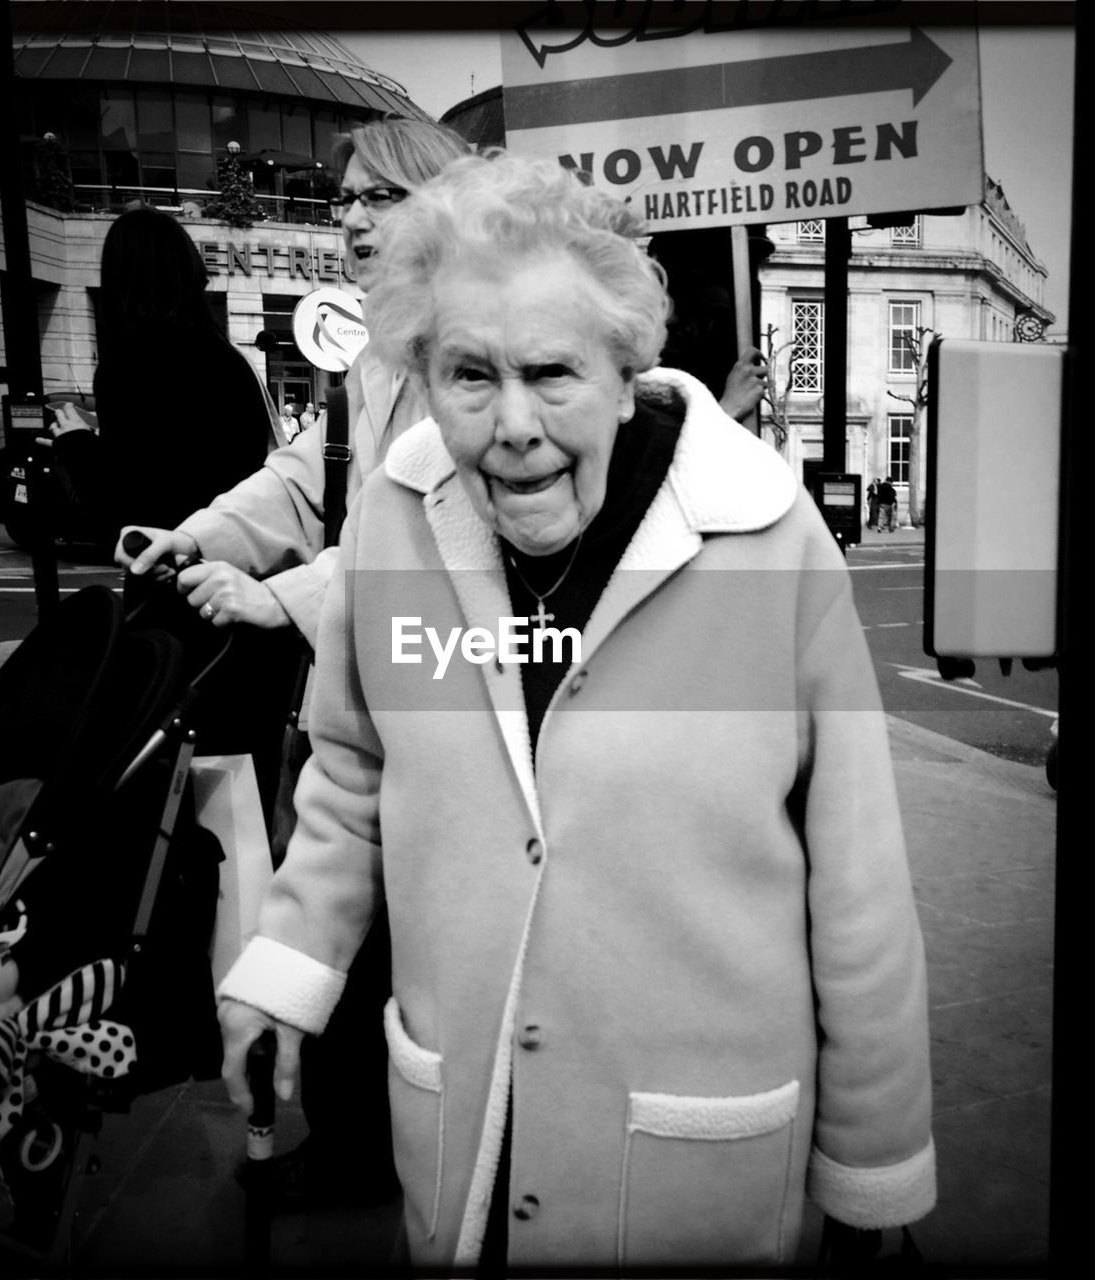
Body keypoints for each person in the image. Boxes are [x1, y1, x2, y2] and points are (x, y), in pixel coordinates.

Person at [216, 153, 936, 1274]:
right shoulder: (394, 523)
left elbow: (857, 883)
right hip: (466, 1146)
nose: (511, 426)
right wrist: (286, 968)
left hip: (694, 1155)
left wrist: (872, 1165)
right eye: (467, 374)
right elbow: (352, 769)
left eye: (551, 372)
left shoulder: (769, 540)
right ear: (422, 370)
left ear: (623, 366)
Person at [115, 116, 476, 1207]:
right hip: (368, 705)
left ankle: (386, 1159)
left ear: (442, 209)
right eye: (345, 199)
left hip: (440, 702)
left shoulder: (465, 349)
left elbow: (424, 542)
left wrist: (275, 597)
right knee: (353, 932)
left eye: (381, 196)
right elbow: (304, 481)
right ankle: (360, 1147)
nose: (353, 217)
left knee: (393, 950)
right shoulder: (378, 349)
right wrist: (202, 533)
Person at [90, 204, 273, 542]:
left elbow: (119, 503)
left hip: (166, 565)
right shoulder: (229, 361)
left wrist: (76, 444)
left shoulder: (126, 366)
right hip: (233, 555)